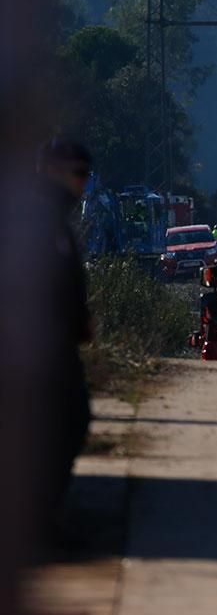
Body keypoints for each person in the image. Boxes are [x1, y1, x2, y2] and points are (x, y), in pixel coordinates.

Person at [35, 136, 94, 544]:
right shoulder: (40, 215)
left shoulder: (53, 214)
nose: (81, 184)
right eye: (76, 174)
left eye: (85, 175)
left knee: (69, 422)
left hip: (55, 341)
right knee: (64, 424)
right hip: (42, 345)